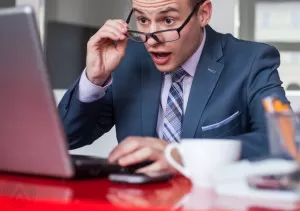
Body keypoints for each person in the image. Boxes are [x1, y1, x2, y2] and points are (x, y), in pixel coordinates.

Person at [58, 0, 289, 174]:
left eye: (168, 21)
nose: (150, 39)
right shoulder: (126, 57)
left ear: (203, 14)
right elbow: (66, 138)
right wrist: (94, 78)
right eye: (142, 20)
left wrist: (181, 156)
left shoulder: (251, 61)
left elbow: (286, 143)